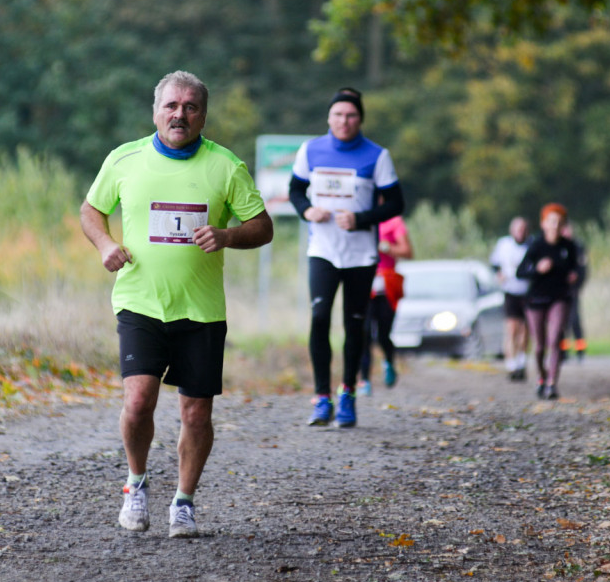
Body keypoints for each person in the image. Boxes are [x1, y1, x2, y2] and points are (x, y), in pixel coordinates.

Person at [80, 71, 273, 538]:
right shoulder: (125, 159)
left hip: (201, 309)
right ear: (155, 111)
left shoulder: (226, 167)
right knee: (138, 400)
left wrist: (227, 235)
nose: (179, 114)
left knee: (196, 413)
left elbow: (263, 226)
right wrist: (106, 244)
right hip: (140, 301)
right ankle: (136, 483)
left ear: (203, 114)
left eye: (190, 107)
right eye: (171, 105)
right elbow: (91, 210)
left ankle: (183, 502)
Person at [289, 87, 404, 428]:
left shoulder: (377, 156)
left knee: (354, 325)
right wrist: (307, 211)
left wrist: (361, 219)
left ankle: (348, 395)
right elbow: (295, 190)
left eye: (351, 115)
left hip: (360, 254)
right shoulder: (311, 150)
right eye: (338, 114)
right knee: (320, 317)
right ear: (329, 118)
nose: (344, 121)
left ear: (360, 119)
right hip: (323, 250)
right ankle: (322, 397)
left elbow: (396, 204)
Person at [516, 203, 578, 400]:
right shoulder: (536, 245)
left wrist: (575, 276)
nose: (555, 225)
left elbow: (578, 269)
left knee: (555, 341)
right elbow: (520, 272)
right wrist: (537, 269)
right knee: (540, 346)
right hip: (536, 299)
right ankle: (541, 378)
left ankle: (552, 383)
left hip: (560, 298)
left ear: (563, 226)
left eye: (559, 222)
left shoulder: (569, 247)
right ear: (543, 224)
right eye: (552, 221)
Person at [357, 212, 413, 396]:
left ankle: (389, 361)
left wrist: (386, 247)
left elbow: (408, 252)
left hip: (386, 287)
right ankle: (364, 379)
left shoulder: (393, 222)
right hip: (364, 283)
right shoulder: (358, 217)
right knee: (363, 334)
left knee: (383, 334)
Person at [489, 217, 532, 381]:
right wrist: (498, 275)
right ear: (512, 230)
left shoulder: (531, 245)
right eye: (518, 229)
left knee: (525, 331)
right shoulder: (504, 245)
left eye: (523, 229)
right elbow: (494, 264)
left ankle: (521, 361)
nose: (520, 232)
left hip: (527, 291)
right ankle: (511, 364)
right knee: (512, 329)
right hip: (510, 290)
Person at [559, 221, 588, 362]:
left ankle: (580, 350)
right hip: (559, 290)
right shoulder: (558, 247)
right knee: (561, 321)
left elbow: (583, 268)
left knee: (574, 319)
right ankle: (563, 351)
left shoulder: (578, 247)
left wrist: (577, 281)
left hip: (573, 290)